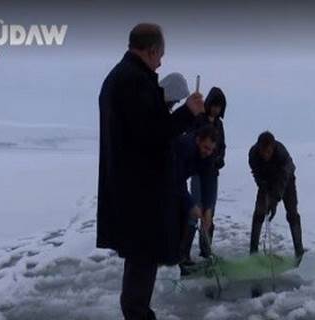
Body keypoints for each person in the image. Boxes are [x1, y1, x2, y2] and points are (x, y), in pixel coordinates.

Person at [96, 23, 204, 320]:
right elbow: (152, 133)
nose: (161, 62)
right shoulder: (133, 81)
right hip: (140, 192)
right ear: (152, 49)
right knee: (142, 262)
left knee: (140, 261)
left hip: (132, 188)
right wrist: (188, 112)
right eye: (160, 55)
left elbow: (146, 129)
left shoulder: (122, 78)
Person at [169, 125, 218, 272]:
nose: (207, 152)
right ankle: (170, 260)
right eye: (205, 147)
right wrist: (192, 205)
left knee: (186, 212)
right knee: (178, 214)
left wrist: (208, 209)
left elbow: (208, 180)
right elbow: (177, 181)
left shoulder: (208, 155)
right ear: (198, 140)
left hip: (176, 179)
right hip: (160, 175)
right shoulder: (185, 148)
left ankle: (179, 261)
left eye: (210, 149)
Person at [248, 131, 304, 259]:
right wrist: (262, 185)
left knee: (292, 213)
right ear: (258, 147)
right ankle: (253, 252)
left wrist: (274, 202)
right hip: (266, 181)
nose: (265, 155)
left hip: (286, 180)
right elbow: (256, 173)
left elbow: (283, 180)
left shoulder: (281, 154)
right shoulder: (253, 154)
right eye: (263, 151)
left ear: (273, 148)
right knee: (259, 212)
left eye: (268, 152)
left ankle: (299, 251)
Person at [187, 87, 227, 260]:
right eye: (214, 105)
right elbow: (191, 140)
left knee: (209, 211)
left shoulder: (219, 125)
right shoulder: (199, 119)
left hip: (212, 172)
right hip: (197, 172)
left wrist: (218, 159)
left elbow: (222, 146)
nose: (216, 109)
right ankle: (184, 254)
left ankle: (206, 250)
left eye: (220, 107)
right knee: (195, 209)